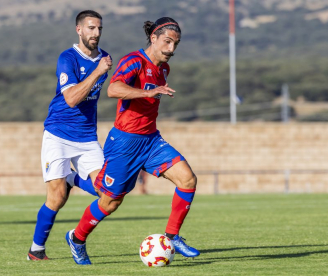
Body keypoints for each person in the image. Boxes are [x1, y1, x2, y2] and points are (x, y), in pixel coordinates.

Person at [65, 17, 200, 265]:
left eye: (175, 44)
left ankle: (172, 236)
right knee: (110, 201)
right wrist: (148, 92)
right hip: (125, 142)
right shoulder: (134, 61)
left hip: (150, 140)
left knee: (188, 179)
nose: (171, 49)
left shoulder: (164, 69)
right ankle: (77, 238)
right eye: (167, 42)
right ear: (154, 38)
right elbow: (113, 89)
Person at [27, 10, 112, 261]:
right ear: (79, 30)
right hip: (58, 134)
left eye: (99, 28)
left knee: (108, 192)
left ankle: (72, 180)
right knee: (57, 197)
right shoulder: (67, 58)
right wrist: (97, 72)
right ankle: (36, 250)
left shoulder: (105, 58)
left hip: (86, 138)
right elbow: (72, 99)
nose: (95, 33)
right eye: (90, 28)